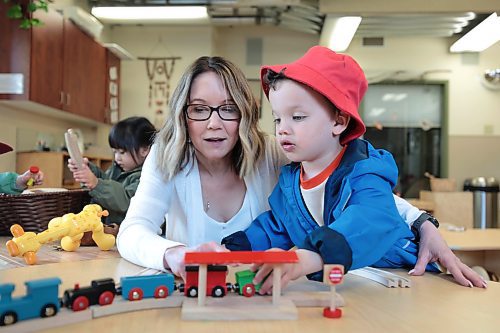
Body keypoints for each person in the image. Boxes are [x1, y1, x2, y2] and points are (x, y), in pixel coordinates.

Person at [117, 55, 484, 288]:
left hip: (393, 280)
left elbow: (368, 205)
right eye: (199, 109)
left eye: (227, 109)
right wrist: (212, 251)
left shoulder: (274, 153)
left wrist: (423, 222)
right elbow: (275, 225)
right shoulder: (170, 155)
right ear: (184, 114)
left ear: (244, 114)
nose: (214, 124)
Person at [67, 116, 156, 235]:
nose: (117, 157)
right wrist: (88, 170)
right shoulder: (117, 168)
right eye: (115, 152)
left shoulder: (148, 176)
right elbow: (105, 180)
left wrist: (95, 183)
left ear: (144, 150)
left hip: (131, 235)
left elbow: (125, 200)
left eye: (122, 152)